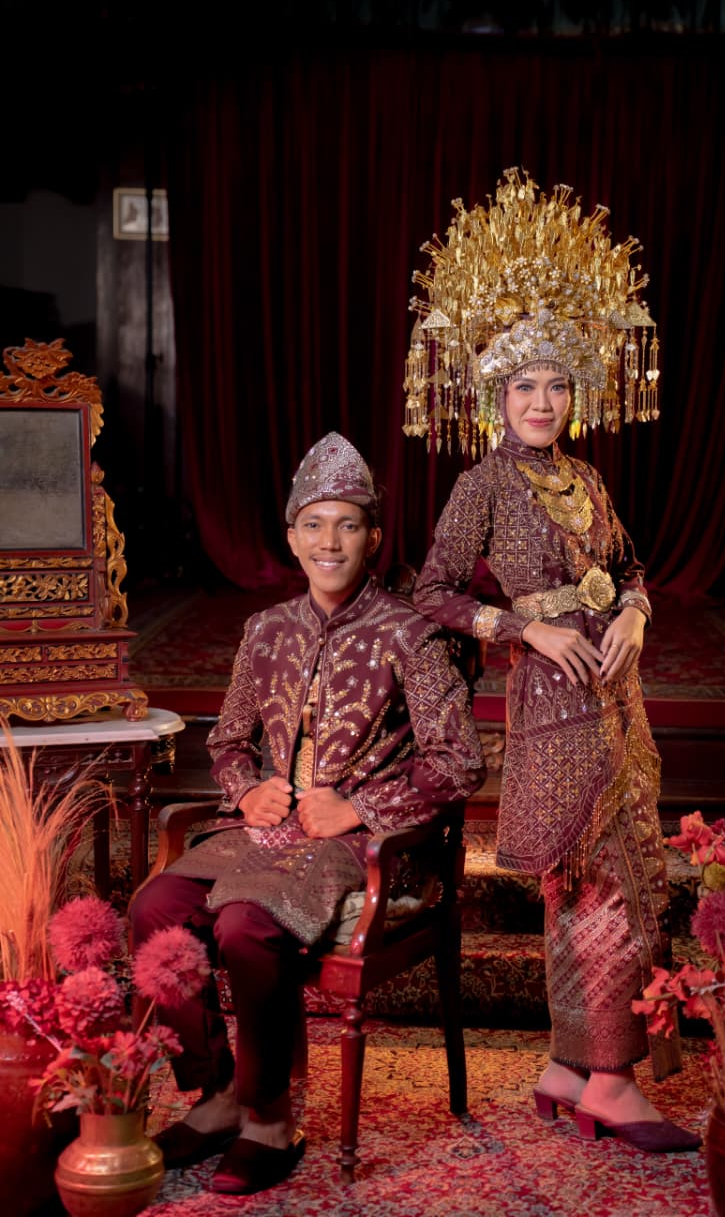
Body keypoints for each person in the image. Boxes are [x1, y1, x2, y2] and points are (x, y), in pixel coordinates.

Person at [405, 169, 700, 1153]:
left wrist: (639, 614)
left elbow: (631, 568)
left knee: (619, 878)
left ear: (576, 392)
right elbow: (432, 592)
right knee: (595, 884)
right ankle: (610, 1078)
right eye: (523, 385)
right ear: (495, 396)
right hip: (550, 708)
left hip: (619, 705)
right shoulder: (482, 484)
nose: (542, 400)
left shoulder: (587, 478)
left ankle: (568, 1066)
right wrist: (521, 627)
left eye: (556, 383)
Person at [131, 432, 486, 1195]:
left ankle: (269, 1118)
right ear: (291, 538)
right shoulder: (266, 630)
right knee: (154, 907)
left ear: (373, 538)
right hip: (261, 830)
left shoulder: (410, 634)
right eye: (314, 525)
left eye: (348, 526)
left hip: (358, 844)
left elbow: (459, 761)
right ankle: (217, 1092)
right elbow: (228, 739)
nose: (330, 542)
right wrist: (244, 788)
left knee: (243, 925)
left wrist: (357, 807)